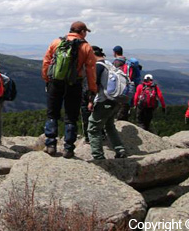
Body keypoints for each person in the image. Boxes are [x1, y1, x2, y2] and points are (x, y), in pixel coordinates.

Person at [42, 21, 97, 158]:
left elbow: (46, 62)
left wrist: (47, 79)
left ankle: (50, 144)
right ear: (82, 32)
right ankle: (68, 148)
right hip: (74, 83)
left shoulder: (56, 42)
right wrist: (92, 89)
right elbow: (91, 70)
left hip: (55, 82)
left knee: (52, 114)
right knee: (71, 117)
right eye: (86, 32)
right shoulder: (86, 47)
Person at [87, 46, 127, 160]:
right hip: (115, 101)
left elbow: (94, 85)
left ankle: (98, 157)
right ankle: (120, 150)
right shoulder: (110, 64)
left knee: (93, 128)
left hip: (104, 101)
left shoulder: (98, 66)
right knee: (109, 126)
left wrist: (90, 101)